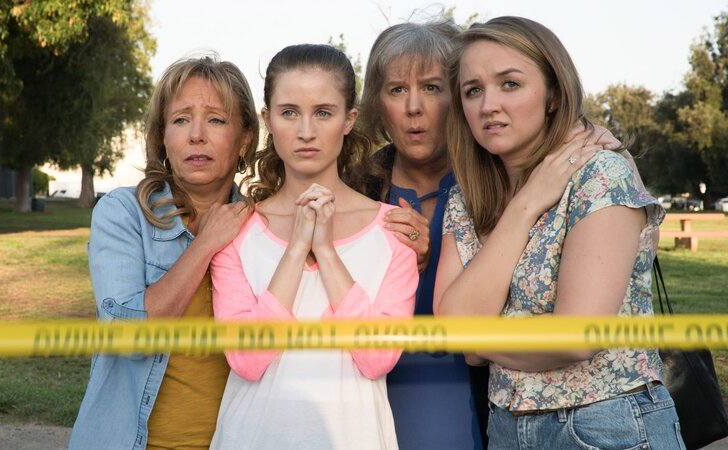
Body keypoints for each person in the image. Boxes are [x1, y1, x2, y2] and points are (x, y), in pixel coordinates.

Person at [435, 16, 683, 449]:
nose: (488, 104)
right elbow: (450, 325)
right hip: (506, 427)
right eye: (473, 90)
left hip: (607, 425)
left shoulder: (599, 174)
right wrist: (526, 204)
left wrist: (476, 338)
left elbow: (576, 336)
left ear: (552, 95)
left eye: (510, 84)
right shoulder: (466, 197)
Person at [209, 44, 418, 450]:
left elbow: (377, 359)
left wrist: (325, 250)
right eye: (289, 113)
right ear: (268, 120)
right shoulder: (236, 230)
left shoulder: (394, 231)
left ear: (348, 119)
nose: (306, 131)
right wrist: (295, 249)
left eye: (323, 112)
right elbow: (246, 361)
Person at [69, 56, 259, 450]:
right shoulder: (123, 213)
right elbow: (128, 337)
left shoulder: (264, 226)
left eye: (216, 120)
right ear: (163, 138)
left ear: (244, 139)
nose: (196, 135)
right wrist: (205, 244)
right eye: (181, 119)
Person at [357, 19, 486, 450]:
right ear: (377, 104)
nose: (413, 107)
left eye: (431, 87)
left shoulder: (496, 184)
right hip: (366, 406)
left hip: (480, 405)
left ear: (460, 95)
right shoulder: (352, 188)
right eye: (397, 90)